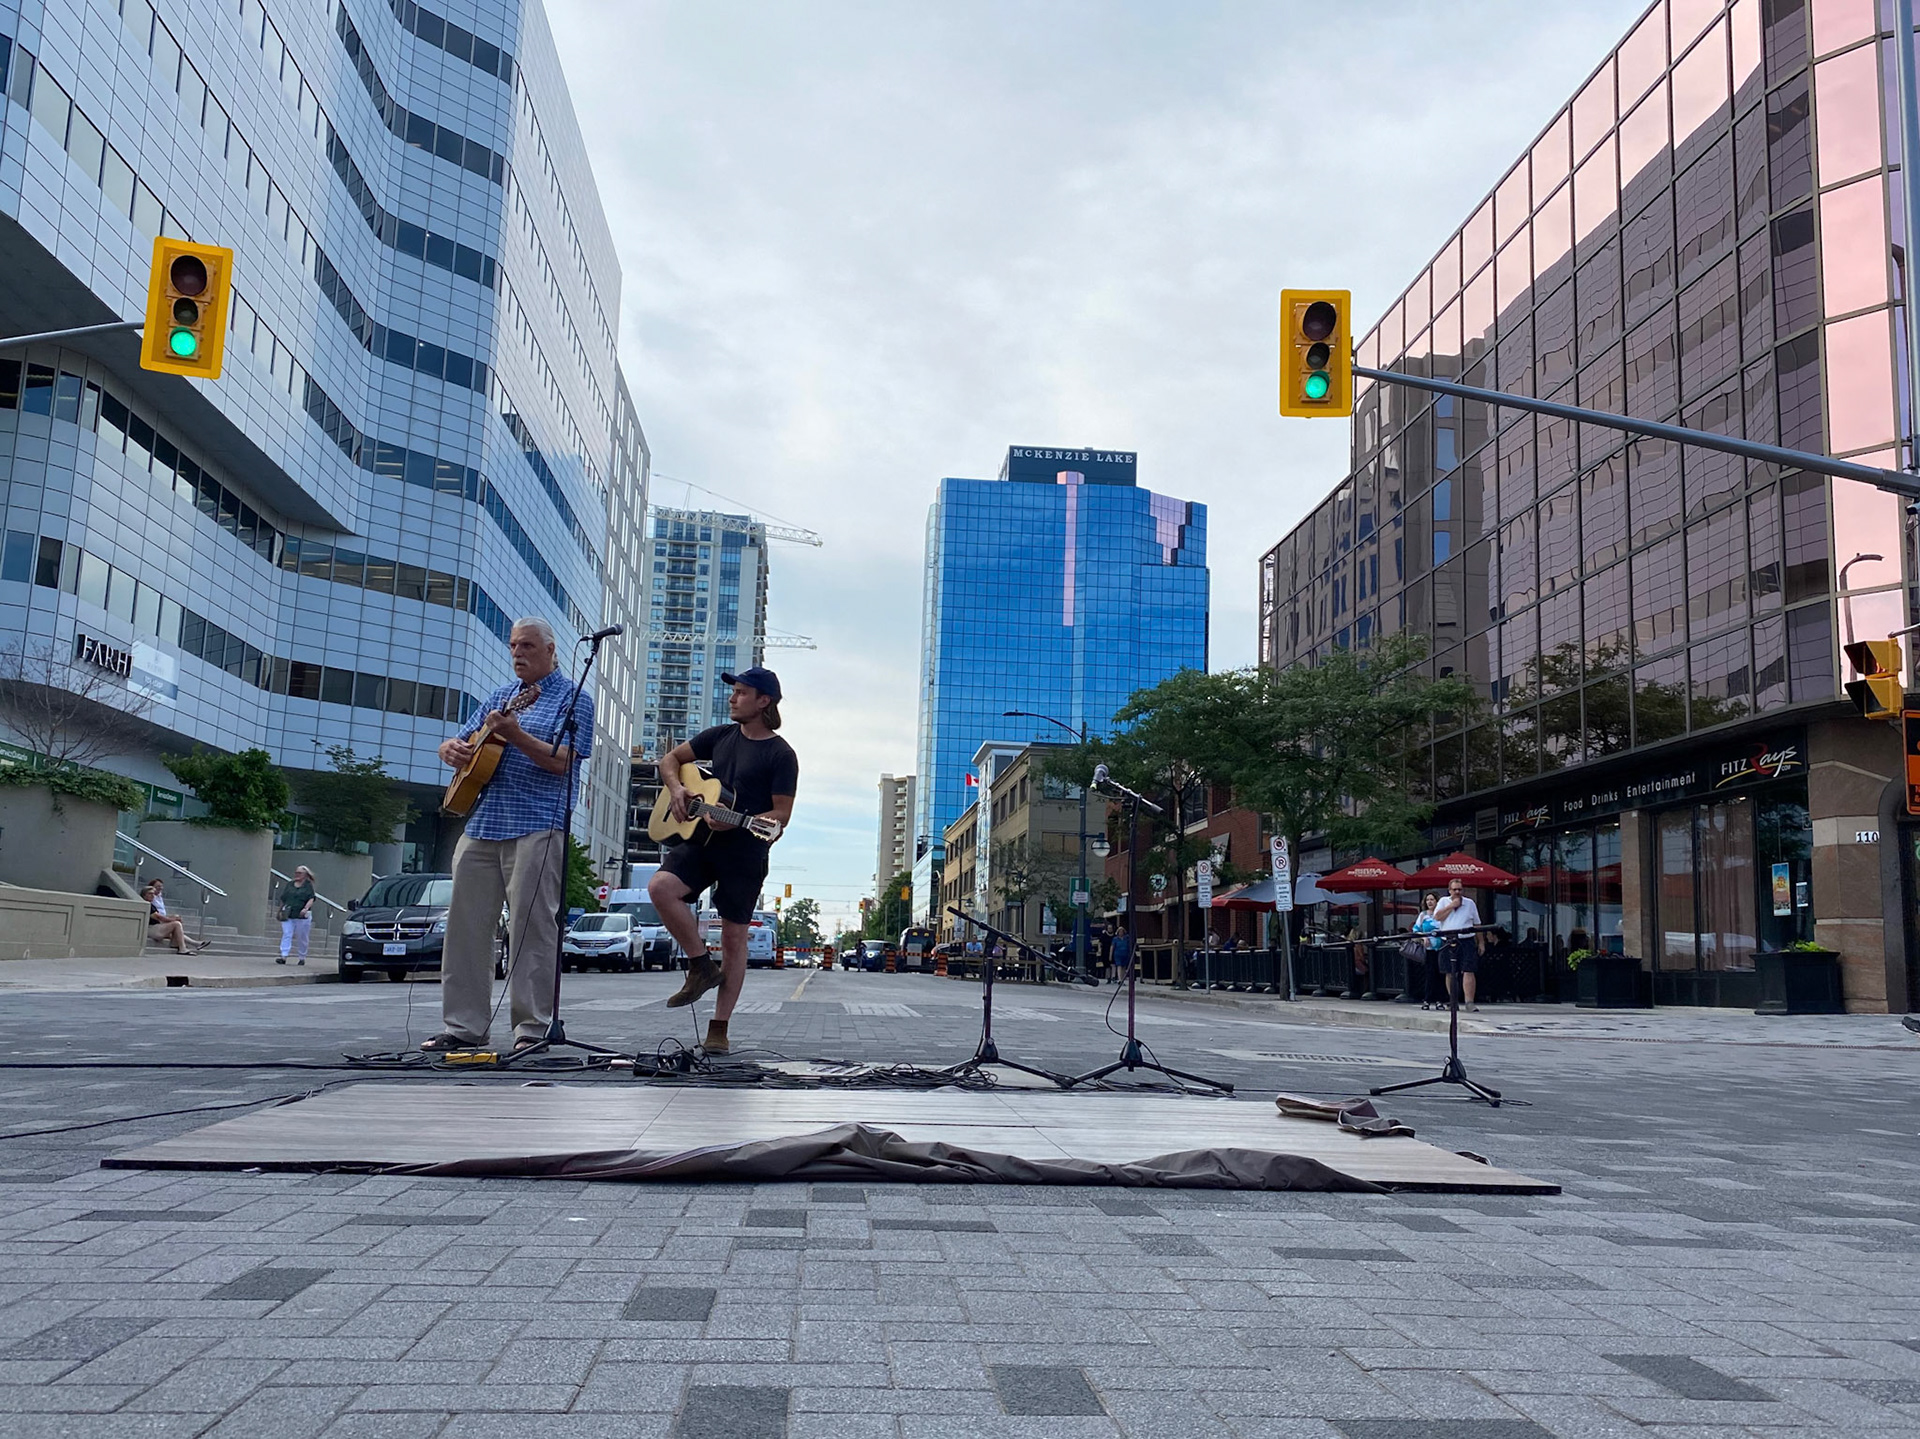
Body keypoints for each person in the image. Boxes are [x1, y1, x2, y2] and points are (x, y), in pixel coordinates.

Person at [421, 617, 593, 1054]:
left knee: (531, 929)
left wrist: (515, 734)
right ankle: (464, 1028)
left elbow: (564, 762)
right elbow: (459, 742)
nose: (518, 653)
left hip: (537, 823)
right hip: (484, 823)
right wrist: (449, 749)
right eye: (514, 645)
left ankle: (531, 1030)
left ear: (551, 650)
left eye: (528, 646)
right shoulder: (500, 696)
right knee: (465, 929)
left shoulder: (574, 699)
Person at [649, 667, 797, 1056]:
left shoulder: (781, 754)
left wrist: (743, 820)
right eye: (734, 692)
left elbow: (781, 815)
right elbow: (670, 760)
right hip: (700, 840)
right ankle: (701, 965)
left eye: (742, 692)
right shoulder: (720, 736)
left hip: (745, 851)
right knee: (660, 887)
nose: (732, 698)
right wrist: (677, 789)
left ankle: (719, 1027)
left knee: (733, 937)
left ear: (763, 701)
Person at [1433, 876, 1482, 1010]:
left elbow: (1477, 924)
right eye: (1454, 889)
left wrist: (1481, 942)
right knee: (1450, 971)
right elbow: (1437, 917)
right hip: (1448, 939)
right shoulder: (1443, 901)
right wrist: (1451, 906)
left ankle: (1469, 1002)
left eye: (1459, 889)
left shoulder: (1470, 903)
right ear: (1449, 890)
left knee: (1468, 970)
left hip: (1466, 939)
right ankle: (1453, 1001)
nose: (1457, 892)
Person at [143, 879, 206, 954]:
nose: (152, 895)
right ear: (144, 895)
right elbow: (159, 918)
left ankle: (191, 943)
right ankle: (182, 948)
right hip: (150, 929)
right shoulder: (146, 905)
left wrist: (173, 918)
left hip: (155, 927)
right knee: (176, 924)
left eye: (153, 894)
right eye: (150, 894)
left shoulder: (151, 905)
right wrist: (173, 920)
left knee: (176, 927)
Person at [276, 865, 316, 966]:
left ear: (305, 875)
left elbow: (311, 898)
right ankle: (283, 956)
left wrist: (306, 908)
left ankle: (302, 957)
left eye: (299, 873)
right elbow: (284, 898)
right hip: (288, 913)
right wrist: (279, 910)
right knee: (287, 933)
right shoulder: (290, 884)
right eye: (296, 873)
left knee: (302, 937)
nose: (297, 875)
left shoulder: (308, 886)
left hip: (301, 916)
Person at [1411, 892, 1443, 1009]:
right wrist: (1423, 937)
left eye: (1432, 899)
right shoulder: (1423, 915)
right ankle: (1427, 999)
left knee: (1441, 974)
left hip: (1442, 947)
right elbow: (1416, 929)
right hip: (1429, 949)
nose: (1429, 902)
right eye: (1427, 900)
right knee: (1430, 974)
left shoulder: (1442, 914)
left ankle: (1440, 999)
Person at [1109, 916, 1134, 985]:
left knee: (1124, 967)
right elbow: (1112, 947)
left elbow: (1130, 945)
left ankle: (1122, 979)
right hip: (1118, 954)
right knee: (1119, 965)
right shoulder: (1115, 939)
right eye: (1119, 931)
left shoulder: (1126, 938)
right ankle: (1119, 979)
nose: (1121, 932)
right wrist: (1110, 955)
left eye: (1122, 931)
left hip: (1125, 954)